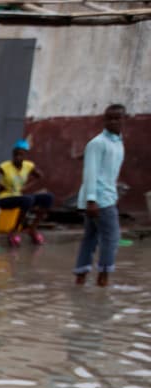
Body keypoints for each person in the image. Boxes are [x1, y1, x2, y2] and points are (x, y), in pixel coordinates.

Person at [74, 104, 126, 287]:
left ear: (123, 120)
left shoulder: (117, 142)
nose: (113, 121)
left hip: (107, 197)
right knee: (112, 238)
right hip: (99, 200)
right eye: (109, 118)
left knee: (91, 236)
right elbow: (90, 173)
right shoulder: (98, 143)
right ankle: (103, 277)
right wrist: (91, 200)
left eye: (117, 118)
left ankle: (81, 276)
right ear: (104, 120)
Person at [0, 140, 54, 247]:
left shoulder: (28, 166)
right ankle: (14, 230)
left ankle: (32, 228)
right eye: (16, 155)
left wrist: (26, 187)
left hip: (19, 196)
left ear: (26, 156)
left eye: (21, 155)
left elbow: (39, 176)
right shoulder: (5, 166)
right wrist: (0, 185)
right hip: (5, 198)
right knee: (27, 200)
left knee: (48, 198)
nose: (18, 157)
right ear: (13, 155)